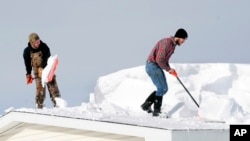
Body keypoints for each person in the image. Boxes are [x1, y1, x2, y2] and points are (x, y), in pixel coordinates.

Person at [141, 28, 188, 116]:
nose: (183, 42)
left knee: (164, 89)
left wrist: (170, 69)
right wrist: (168, 69)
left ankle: (146, 105)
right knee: (161, 88)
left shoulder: (172, 46)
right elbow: (159, 59)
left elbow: (164, 60)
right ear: (179, 37)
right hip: (152, 65)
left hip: (156, 66)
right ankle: (156, 111)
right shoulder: (166, 43)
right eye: (183, 39)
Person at [23, 33, 61, 109]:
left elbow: (48, 58)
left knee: (54, 89)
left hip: (48, 70)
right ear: (32, 42)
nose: (38, 43)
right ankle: (40, 108)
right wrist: (28, 74)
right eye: (36, 42)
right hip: (37, 73)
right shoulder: (27, 51)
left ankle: (59, 106)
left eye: (39, 41)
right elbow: (27, 64)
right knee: (40, 91)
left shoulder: (44, 47)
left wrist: (43, 67)